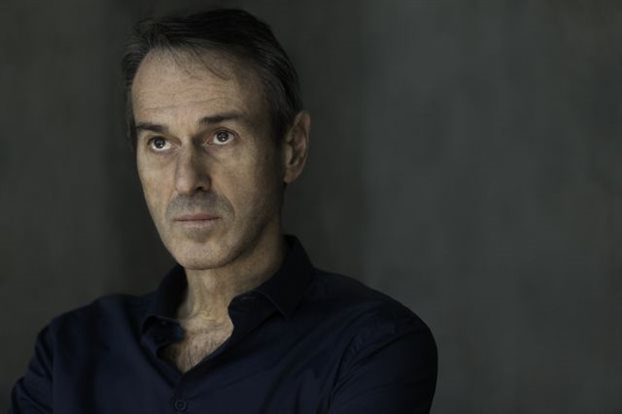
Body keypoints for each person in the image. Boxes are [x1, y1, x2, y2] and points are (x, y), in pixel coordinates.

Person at [10, 8, 437, 413]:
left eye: (221, 136)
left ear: (293, 149)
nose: (186, 180)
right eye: (159, 142)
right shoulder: (68, 352)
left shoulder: (371, 346)